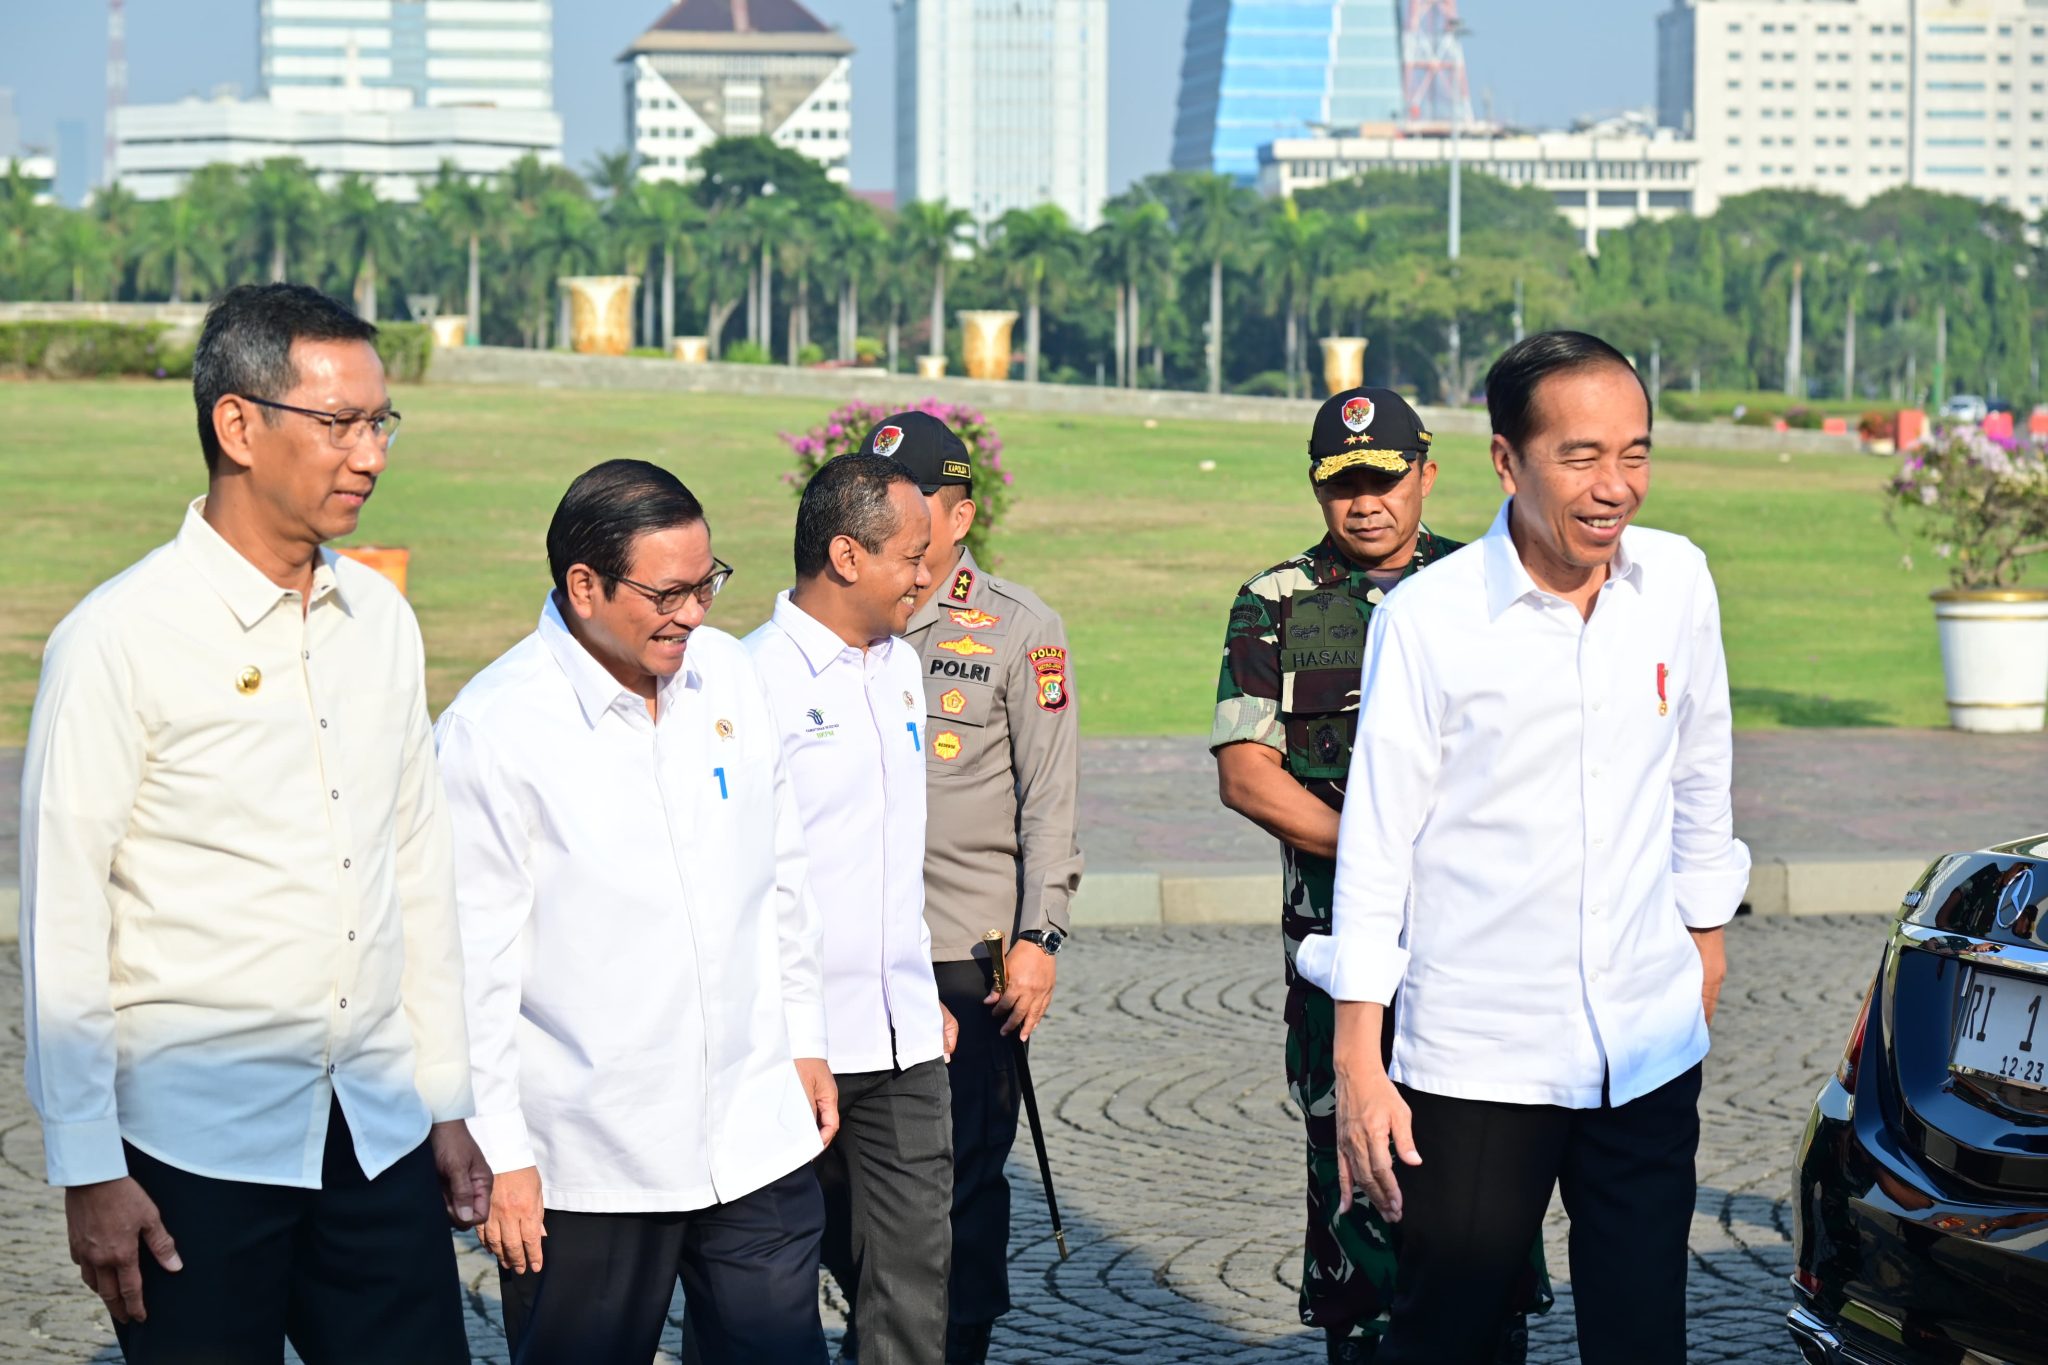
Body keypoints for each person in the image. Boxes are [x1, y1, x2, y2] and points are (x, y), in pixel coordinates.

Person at [18, 282, 488, 1363]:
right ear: (237, 424)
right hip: (194, 1149)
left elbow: (416, 870)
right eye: (339, 424)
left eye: (381, 423)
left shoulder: (382, 622)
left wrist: (445, 1101)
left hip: (374, 1133)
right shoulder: (120, 639)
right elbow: (65, 916)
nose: (370, 455)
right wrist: (91, 1169)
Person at [1313, 333, 1752, 1364]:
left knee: (1642, 1333)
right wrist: (1358, 1059)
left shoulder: (1678, 583)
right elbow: (1379, 841)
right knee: (1451, 1335)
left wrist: (1704, 939)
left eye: (1633, 454)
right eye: (1580, 456)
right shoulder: (1427, 620)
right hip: (1479, 1059)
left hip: (1644, 1047)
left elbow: (1700, 770)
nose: (1613, 489)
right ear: (1506, 461)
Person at [436, 460, 836, 1364]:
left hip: (753, 1129)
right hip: (589, 1160)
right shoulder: (494, 731)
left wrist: (804, 1037)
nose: (694, 612)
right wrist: (503, 1151)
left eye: (707, 583)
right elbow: (470, 964)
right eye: (669, 592)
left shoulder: (730, 677)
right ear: (584, 585)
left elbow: (784, 873)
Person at [1212, 387, 1548, 1365]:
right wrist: (1374, 859)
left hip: (1479, 954)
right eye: (1341, 485)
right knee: (1355, 1172)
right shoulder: (1278, 601)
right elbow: (1246, 772)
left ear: (1425, 473)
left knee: (1492, 1171)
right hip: (1336, 955)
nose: (1365, 502)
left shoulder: (1490, 581)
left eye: (1383, 479)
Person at [844, 412, 1084, 1364]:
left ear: (960, 513)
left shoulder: (1021, 628)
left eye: (915, 505)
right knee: (842, 1184)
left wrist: (1041, 937)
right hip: (856, 952)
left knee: (963, 1184)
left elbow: (1049, 799)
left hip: (965, 959)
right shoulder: (852, 617)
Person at [746, 454, 957, 1365]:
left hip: (905, 1037)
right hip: (789, 1046)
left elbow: (889, 850)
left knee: (913, 1281)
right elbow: (752, 879)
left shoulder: (904, 668)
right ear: (845, 554)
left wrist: (918, 984)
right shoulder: (748, 681)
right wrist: (788, 1031)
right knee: (764, 1291)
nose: (928, 574)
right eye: (912, 556)